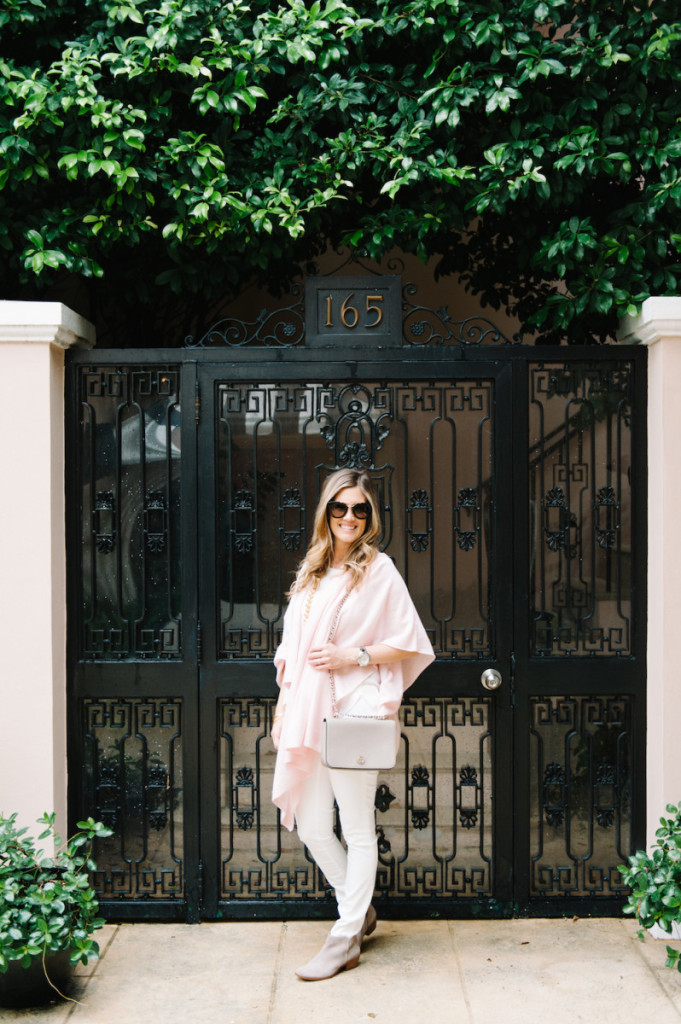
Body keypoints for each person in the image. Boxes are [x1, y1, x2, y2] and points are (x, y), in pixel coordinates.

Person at [271, 468, 434, 981]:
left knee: (358, 827)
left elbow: (409, 641)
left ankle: (344, 940)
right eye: (340, 508)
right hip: (306, 711)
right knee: (315, 826)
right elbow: (291, 652)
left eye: (360, 509)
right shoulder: (311, 573)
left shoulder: (378, 570)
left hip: (353, 711)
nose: (349, 517)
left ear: (370, 517)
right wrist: (282, 707)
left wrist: (352, 655)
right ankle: (357, 909)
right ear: (326, 512)